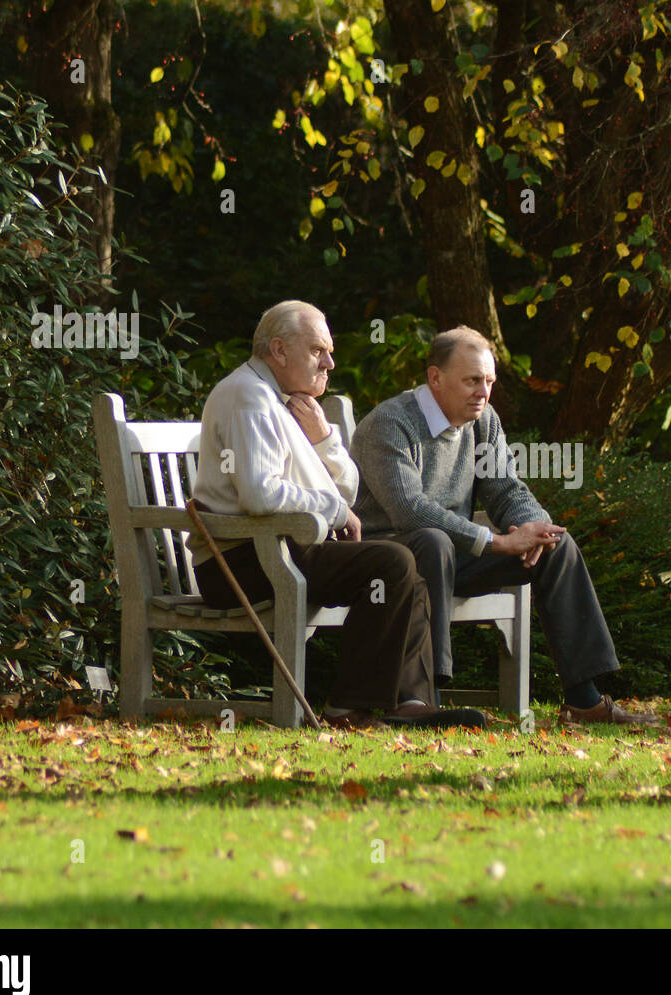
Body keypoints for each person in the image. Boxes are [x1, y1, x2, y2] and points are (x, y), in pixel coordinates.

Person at [188, 300, 485, 729]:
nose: (329, 361)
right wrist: (335, 511)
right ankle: (348, 707)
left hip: (285, 549)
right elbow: (259, 494)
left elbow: (346, 487)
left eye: (329, 351)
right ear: (279, 350)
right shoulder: (248, 397)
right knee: (391, 562)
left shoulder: (287, 400)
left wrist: (325, 439)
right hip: (242, 561)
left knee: (409, 559)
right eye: (317, 350)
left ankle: (412, 703)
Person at [351, 326, 657, 727]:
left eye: (489, 381)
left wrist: (535, 528)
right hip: (393, 561)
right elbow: (409, 509)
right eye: (472, 380)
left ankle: (584, 700)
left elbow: (505, 489)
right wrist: (494, 542)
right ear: (435, 378)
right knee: (432, 539)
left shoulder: (483, 421)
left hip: (456, 554)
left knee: (556, 547)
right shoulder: (390, 423)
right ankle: (423, 701)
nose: (483, 392)